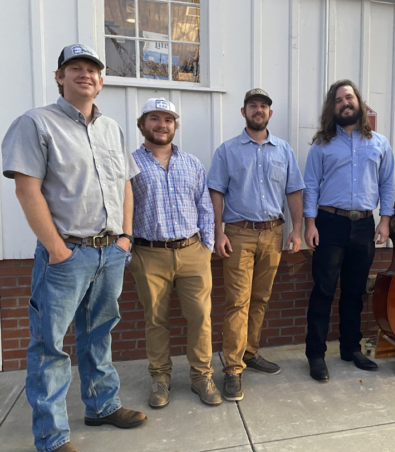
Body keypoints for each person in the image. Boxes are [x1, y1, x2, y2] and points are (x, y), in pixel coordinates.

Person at [1, 44, 145, 452]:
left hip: (110, 253)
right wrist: (56, 249)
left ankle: (101, 405)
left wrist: (125, 237)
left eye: (92, 69)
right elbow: (27, 190)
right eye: (75, 67)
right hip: (66, 255)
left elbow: (125, 185)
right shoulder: (35, 123)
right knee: (49, 345)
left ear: (101, 80)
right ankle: (52, 436)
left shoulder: (111, 129)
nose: (85, 74)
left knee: (99, 334)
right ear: (59, 77)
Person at [208, 88, 305, 401]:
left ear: (270, 113)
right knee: (238, 301)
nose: (258, 110)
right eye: (253, 105)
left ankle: (250, 352)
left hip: (274, 233)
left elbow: (294, 191)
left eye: (263, 106)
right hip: (239, 234)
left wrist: (297, 230)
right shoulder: (227, 150)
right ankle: (233, 368)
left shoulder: (284, 151)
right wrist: (218, 232)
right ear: (244, 111)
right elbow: (216, 192)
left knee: (260, 298)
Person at [128, 98, 221, 408]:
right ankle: (160, 378)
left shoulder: (192, 163)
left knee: (201, 317)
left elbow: (204, 206)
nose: (162, 125)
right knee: (155, 320)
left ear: (174, 126)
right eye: (154, 118)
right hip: (149, 254)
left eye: (167, 119)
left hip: (192, 251)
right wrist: (129, 253)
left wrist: (206, 247)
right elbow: (122, 209)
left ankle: (201, 376)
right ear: (143, 124)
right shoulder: (130, 164)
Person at [303, 79, 395, 382]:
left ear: (359, 102)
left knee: (355, 292)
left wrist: (385, 220)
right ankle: (316, 355)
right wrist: (310, 223)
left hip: (364, 226)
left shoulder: (380, 143)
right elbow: (311, 186)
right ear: (333, 108)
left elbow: (387, 183)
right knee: (324, 290)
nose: (345, 103)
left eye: (349, 97)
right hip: (329, 223)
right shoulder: (322, 145)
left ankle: (350, 349)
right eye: (339, 100)